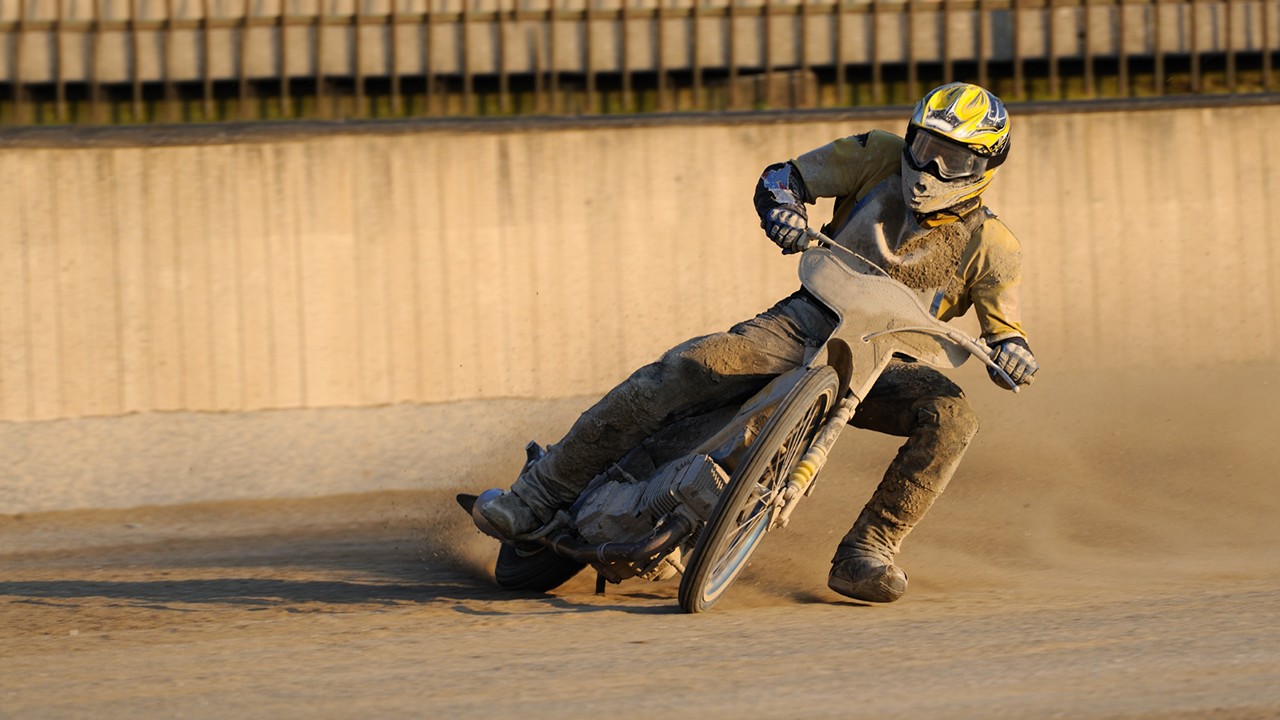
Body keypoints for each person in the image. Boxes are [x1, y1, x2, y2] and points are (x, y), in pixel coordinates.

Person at [470, 82, 1038, 603]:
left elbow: (1005, 330)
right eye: (924, 145)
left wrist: (1013, 354)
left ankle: (869, 550)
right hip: (806, 321)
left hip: (890, 363)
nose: (930, 166)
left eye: (954, 158)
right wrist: (784, 209)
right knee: (686, 369)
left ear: (985, 166)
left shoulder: (994, 245)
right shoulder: (875, 153)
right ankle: (535, 495)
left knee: (954, 418)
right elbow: (783, 175)